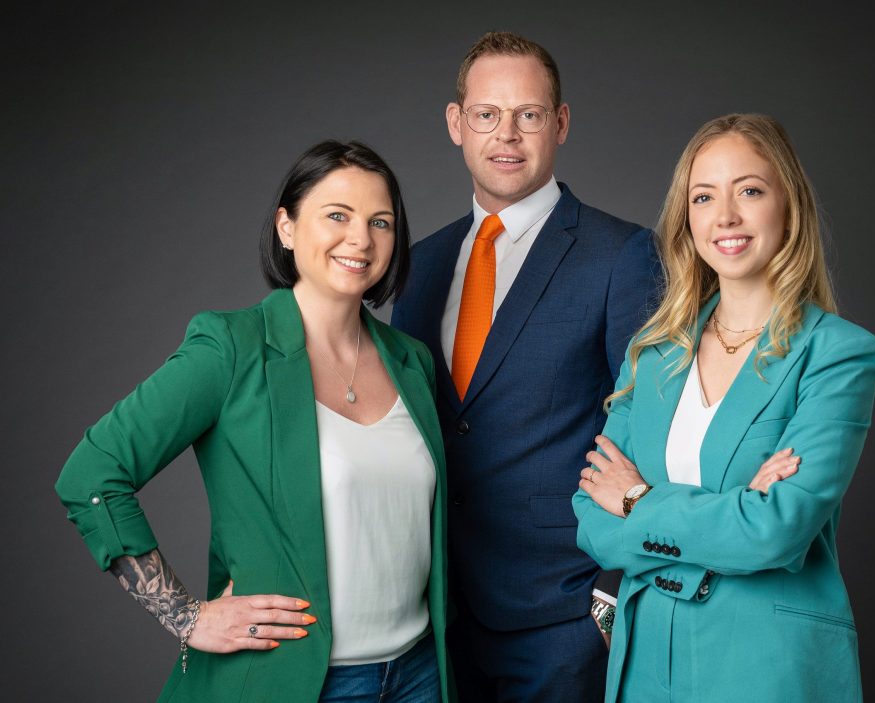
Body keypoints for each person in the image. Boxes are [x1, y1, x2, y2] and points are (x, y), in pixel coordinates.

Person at [55, 140, 453, 703]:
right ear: (286, 227)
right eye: (337, 215)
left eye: (380, 222)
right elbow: (91, 474)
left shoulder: (411, 361)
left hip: (419, 675)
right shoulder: (232, 348)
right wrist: (185, 616)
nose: (361, 239)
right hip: (294, 680)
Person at [573, 113, 875, 702]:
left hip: (765, 664)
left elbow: (776, 532)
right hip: (646, 663)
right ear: (686, 219)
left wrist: (637, 499)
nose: (726, 217)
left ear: (788, 206)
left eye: (749, 191)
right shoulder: (652, 353)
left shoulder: (837, 355)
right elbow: (593, 519)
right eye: (704, 197)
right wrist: (737, 510)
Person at [390, 31, 659, 703]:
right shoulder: (419, 266)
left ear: (560, 123)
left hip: (564, 617)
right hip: (437, 616)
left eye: (528, 114)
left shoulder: (622, 254)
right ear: (456, 123)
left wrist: (609, 601)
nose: (506, 134)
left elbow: (653, 428)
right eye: (487, 113)